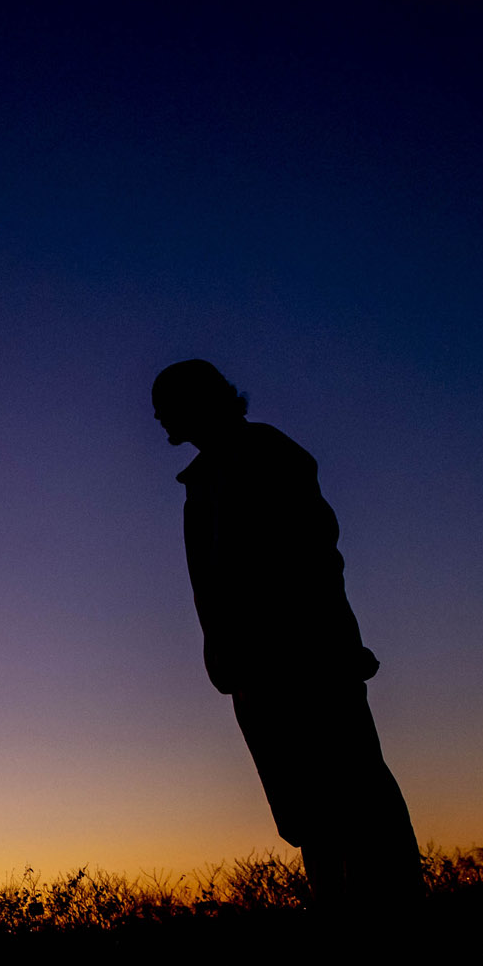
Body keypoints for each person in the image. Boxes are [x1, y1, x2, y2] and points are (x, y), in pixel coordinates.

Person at [152, 360, 422, 914]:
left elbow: (315, 557)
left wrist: (332, 648)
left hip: (305, 662)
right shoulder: (204, 480)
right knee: (310, 813)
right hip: (256, 673)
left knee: (355, 801)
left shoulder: (265, 454)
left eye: (167, 403)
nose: (158, 416)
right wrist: (229, 663)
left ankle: (393, 933)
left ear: (201, 401)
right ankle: (345, 931)